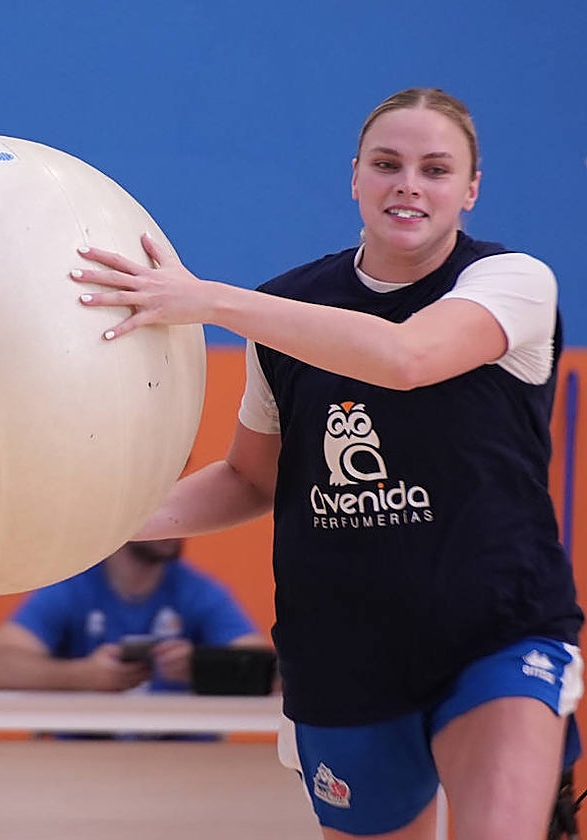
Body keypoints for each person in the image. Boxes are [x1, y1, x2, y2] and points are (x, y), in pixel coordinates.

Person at [70, 88, 583, 839]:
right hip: (344, 653)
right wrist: (95, 518)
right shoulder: (287, 311)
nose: (409, 183)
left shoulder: (511, 283)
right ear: (355, 177)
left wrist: (209, 299)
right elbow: (252, 479)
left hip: (498, 629)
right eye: (387, 163)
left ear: (470, 190)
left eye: (436, 169)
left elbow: (409, 357)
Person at [0, 538, 266, 694]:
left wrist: (202, 667)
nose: (178, 520)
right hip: (81, 764)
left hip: (184, 762)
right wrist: (84, 676)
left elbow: (272, 670)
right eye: (161, 505)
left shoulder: (198, 591)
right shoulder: (72, 587)